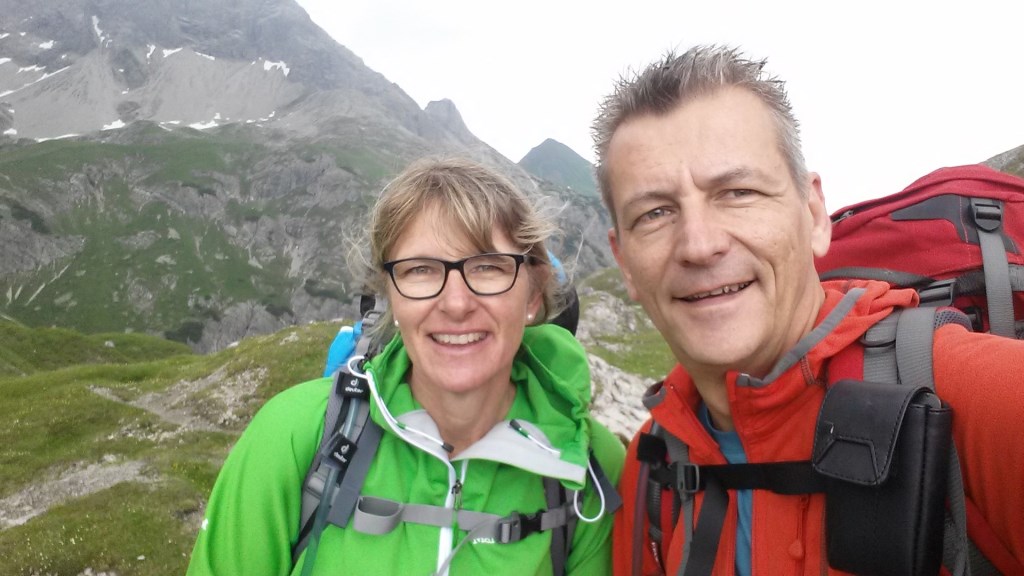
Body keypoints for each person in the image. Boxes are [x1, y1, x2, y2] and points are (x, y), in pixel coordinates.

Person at [592, 45, 1024, 575]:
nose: (699, 245)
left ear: (815, 215)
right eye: (655, 213)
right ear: (624, 262)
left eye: (738, 192)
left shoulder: (984, 398)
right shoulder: (651, 465)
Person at [186, 157, 625, 575]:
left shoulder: (590, 466)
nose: (456, 304)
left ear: (533, 294)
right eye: (420, 270)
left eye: (488, 267)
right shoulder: (290, 433)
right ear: (389, 295)